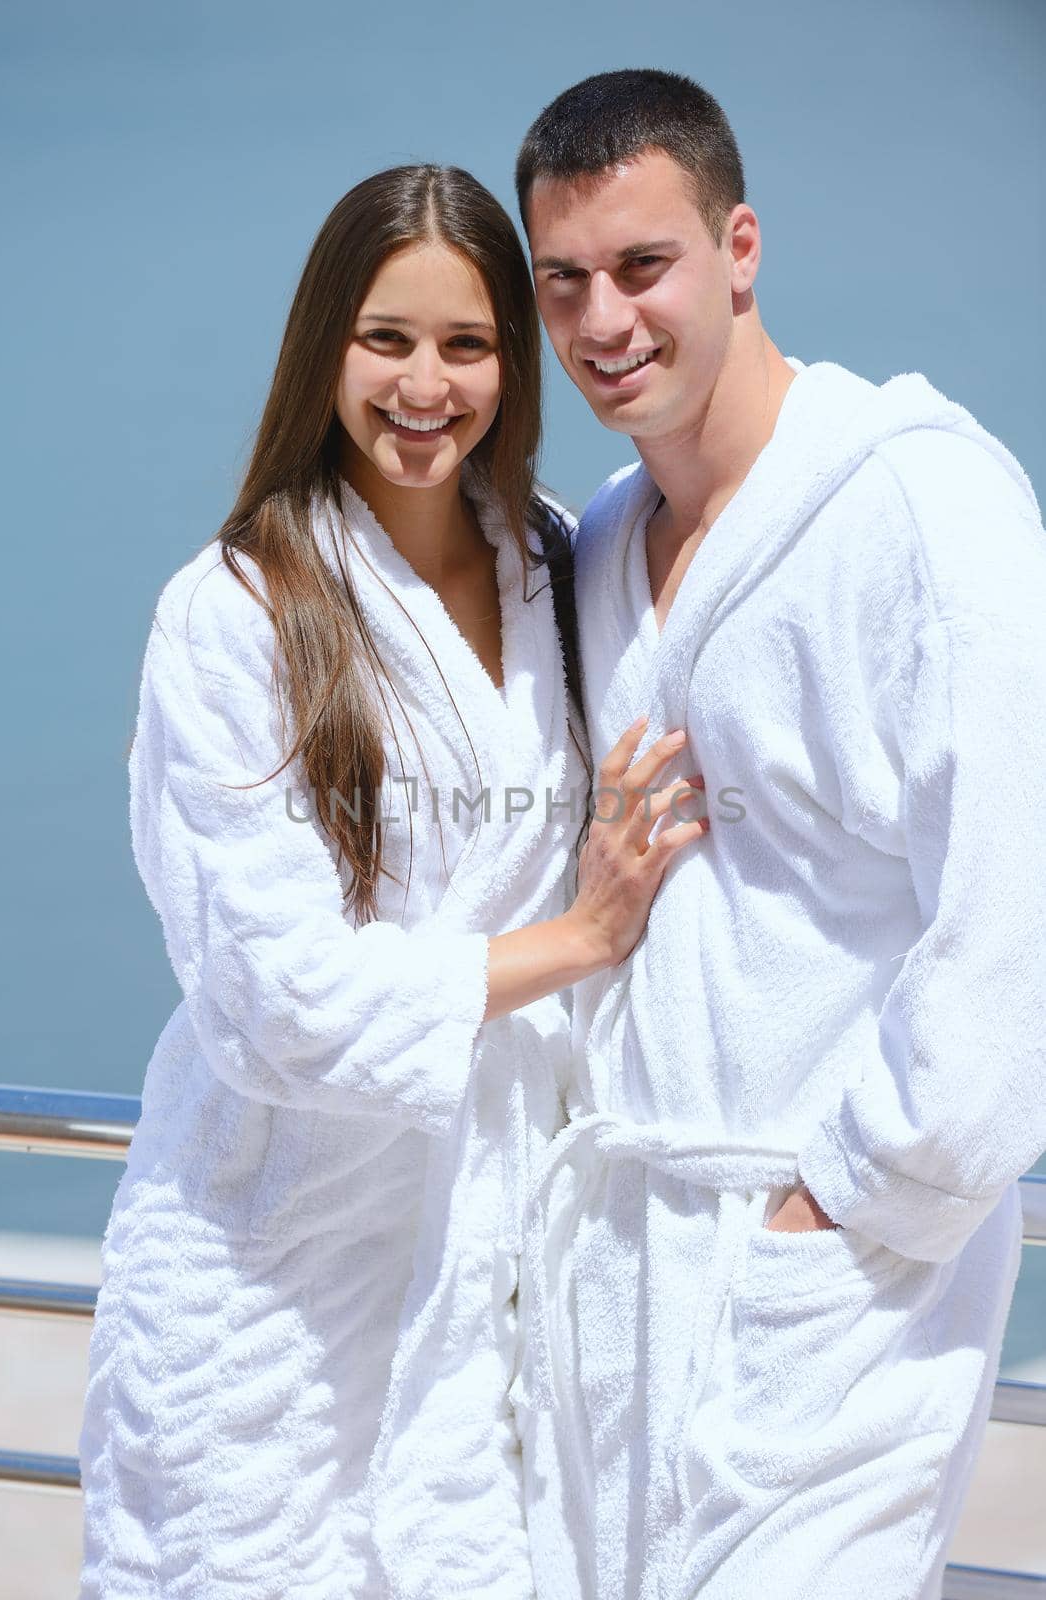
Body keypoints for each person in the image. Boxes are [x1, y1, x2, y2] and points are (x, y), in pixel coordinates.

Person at [76, 162, 709, 1600]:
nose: (426, 385)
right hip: (264, 1279)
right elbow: (271, 995)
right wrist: (579, 937)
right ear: (324, 348)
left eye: (468, 345)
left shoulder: (559, 563)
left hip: (477, 1275)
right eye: (388, 339)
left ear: (514, 361)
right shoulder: (235, 615)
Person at [510, 68, 1046, 1600]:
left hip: (841, 1276)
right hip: (620, 1283)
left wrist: (848, 1198)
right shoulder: (602, 542)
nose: (604, 322)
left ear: (740, 248)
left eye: (643, 265)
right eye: (565, 284)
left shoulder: (923, 516)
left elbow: (1016, 910)